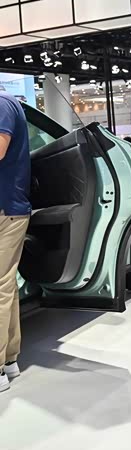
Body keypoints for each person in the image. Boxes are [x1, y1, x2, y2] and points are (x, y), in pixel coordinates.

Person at [0, 92, 30, 393]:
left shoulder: (1, 104)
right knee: (5, 286)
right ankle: (9, 360)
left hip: (5, 210)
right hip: (8, 209)